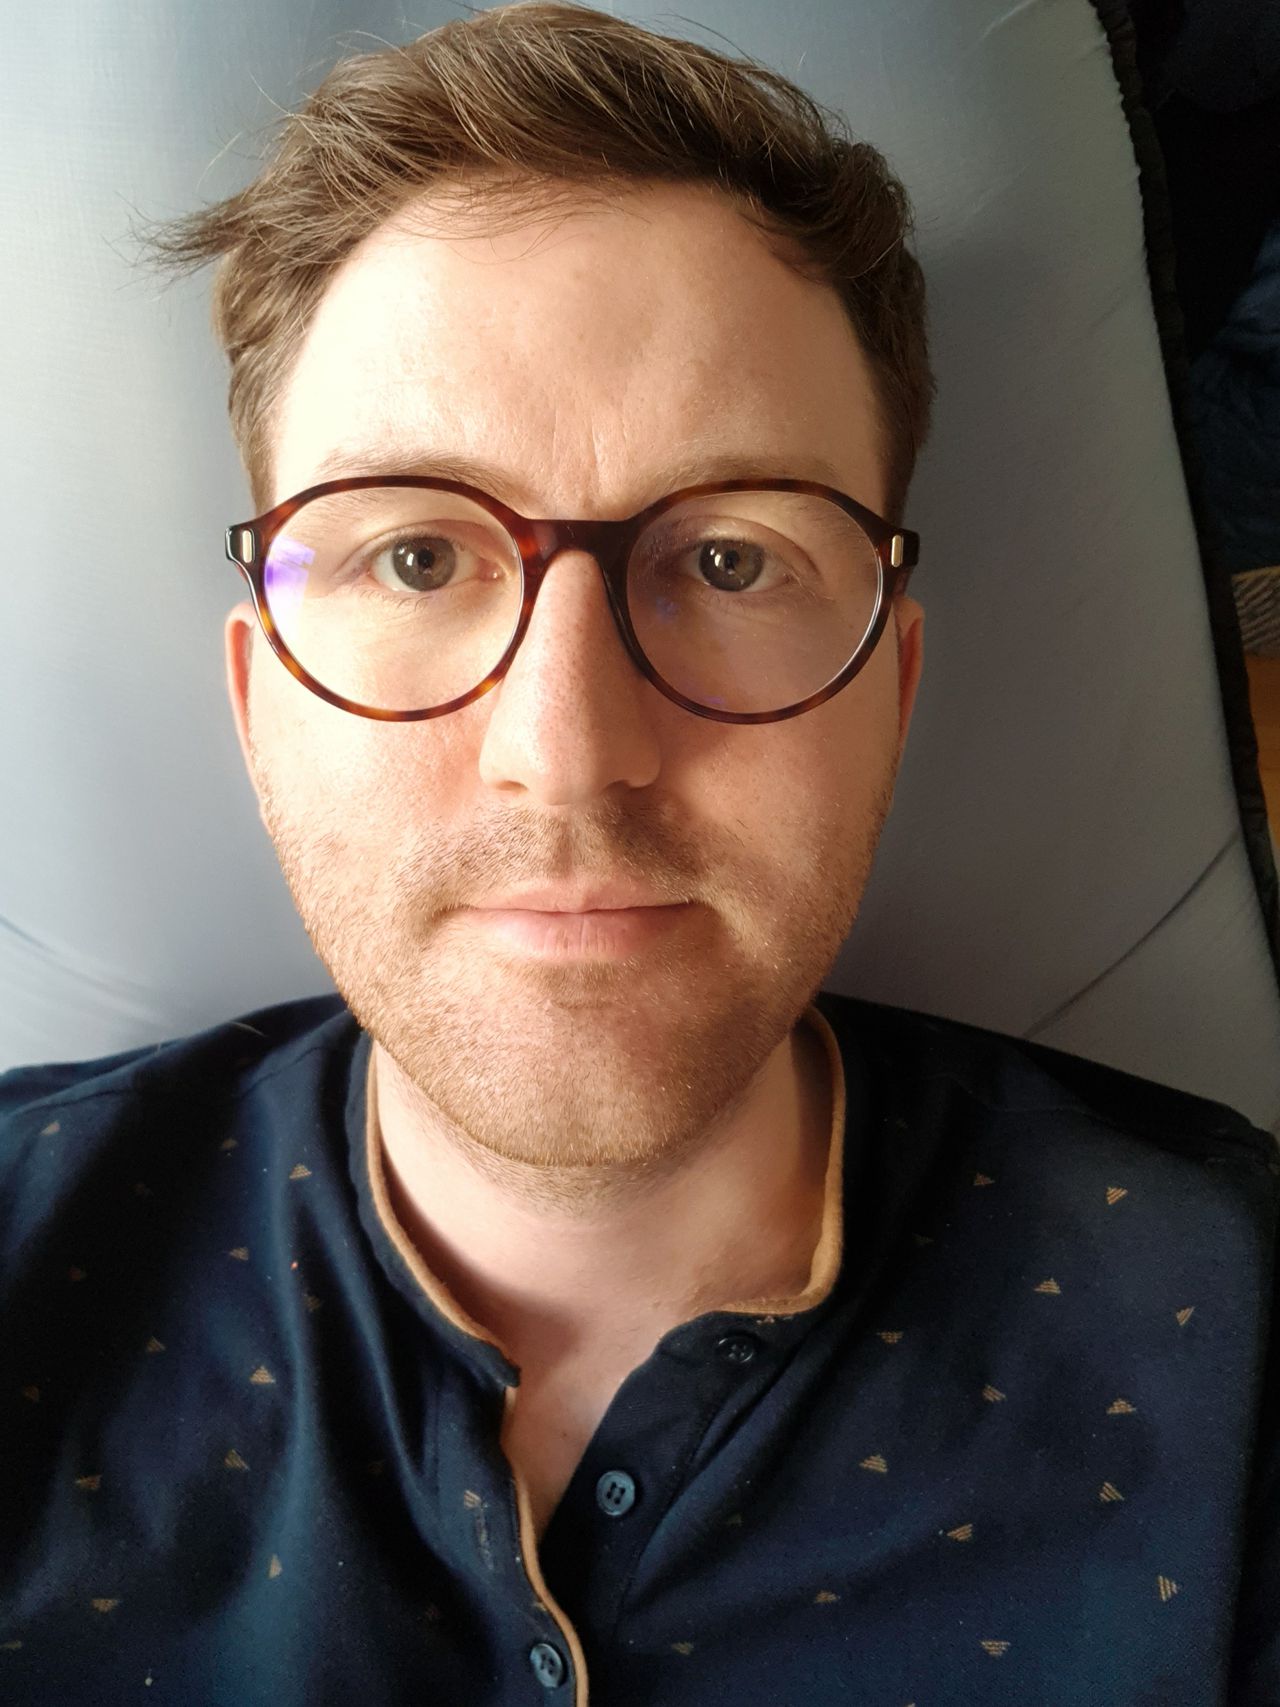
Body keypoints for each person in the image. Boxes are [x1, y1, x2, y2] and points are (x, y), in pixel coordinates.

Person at [2, 4, 1277, 1702]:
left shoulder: (1239, 1346)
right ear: (257, 699)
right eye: (414, 558)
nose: (569, 751)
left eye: (731, 561)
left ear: (893, 690)